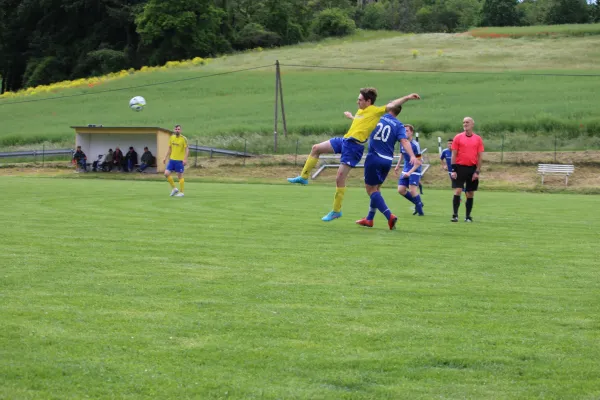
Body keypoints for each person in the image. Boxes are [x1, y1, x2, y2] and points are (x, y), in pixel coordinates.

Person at [287, 88, 421, 221]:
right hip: (345, 141)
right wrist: (351, 117)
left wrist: (407, 97)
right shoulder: (361, 111)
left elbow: (392, 105)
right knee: (316, 148)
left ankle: (336, 211)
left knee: (339, 178)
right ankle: (304, 177)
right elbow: (361, 122)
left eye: (360, 100)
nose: (357, 101)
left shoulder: (375, 111)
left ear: (368, 101)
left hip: (354, 147)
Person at [355, 104, 416, 229]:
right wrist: (412, 156)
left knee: (370, 190)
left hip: (374, 157)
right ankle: (369, 219)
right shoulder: (399, 125)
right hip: (387, 161)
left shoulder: (378, 117)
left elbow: (362, 124)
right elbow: (404, 141)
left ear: (389, 107)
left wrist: (352, 117)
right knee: (376, 189)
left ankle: (390, 216)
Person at [450, 117, 484, 222]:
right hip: (460, 167)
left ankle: (468, 216)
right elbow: (454, 154)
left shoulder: (478, 139)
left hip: (472, 168)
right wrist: (453, 169)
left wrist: (477, 171)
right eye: (464, 122)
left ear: (472, 124)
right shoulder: (458, 137)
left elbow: (480, 156)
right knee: (458, 190)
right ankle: (455, 215)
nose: (465, 124)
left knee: (470, 193)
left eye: (467, 122)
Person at [394, 125, 424, 216]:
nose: (405, 132)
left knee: (412, 190)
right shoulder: (402, 142)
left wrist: (410, 172)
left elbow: (419, 161)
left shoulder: (415, 145)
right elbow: (402, 154)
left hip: (415, 169)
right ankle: (418, 203)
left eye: (407, 131)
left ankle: (420, 212)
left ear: (411, 132)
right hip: (406, 169)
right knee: (401, 190)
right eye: (404, 131)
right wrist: (398, 165)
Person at [163, 124, 189, 197]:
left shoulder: (183, 139)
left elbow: (187, 149)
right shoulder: (172, 137)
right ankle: (174, 189)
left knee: (179, 176)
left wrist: (185, 159)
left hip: (179, 161)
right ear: (174, 130)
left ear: (180, 130)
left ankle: (181, 192)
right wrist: (165, 157)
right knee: (166, 174)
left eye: (178, 129)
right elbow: (169, 148)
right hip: (172, 160)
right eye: (176, 129)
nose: (177, 130)